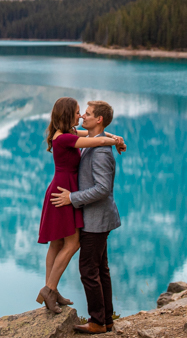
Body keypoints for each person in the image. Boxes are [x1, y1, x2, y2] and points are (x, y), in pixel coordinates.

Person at [36, 97, 125, 314]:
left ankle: (51, 291)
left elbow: (97, 136)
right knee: (72, 243)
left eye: (83, 112)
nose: (81, 115)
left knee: (56, 244)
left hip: (63, 188)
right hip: (64, 191)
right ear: (68, 114)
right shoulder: (65, 138)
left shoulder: (69, 133)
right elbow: (99, 141)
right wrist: (116, 143)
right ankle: (50, 289)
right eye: (77, 112)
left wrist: (116, 137)